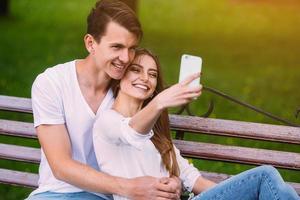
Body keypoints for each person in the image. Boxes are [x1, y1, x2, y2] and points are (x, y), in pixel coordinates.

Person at [27, 0, 202, 199]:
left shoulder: (128, 90)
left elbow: (150, 146)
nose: (126, 58)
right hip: (56, 193)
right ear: (90, 43)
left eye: (131, 48)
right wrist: (129, 187)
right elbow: (61, 166)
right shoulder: (52, 83)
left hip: (106, 196)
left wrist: (174, 180)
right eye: (117, 47)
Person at [93, 48, 300, 200]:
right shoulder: (107, 122)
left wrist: (234, 194)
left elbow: (194, 180)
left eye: (153, 74)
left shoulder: (157, 136)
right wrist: (160, 102)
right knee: (266, 175)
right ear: (119, 78)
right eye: (136, 70)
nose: (145, 78)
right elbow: (130, 132)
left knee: (281, 190)